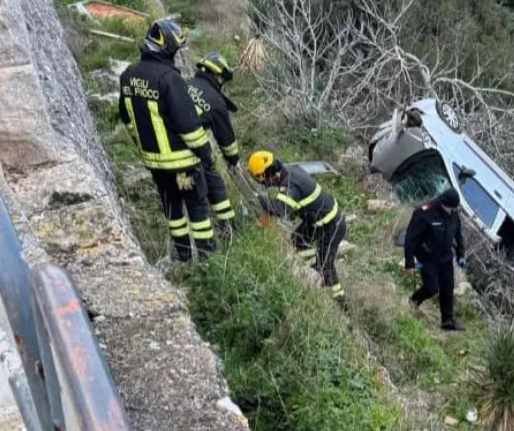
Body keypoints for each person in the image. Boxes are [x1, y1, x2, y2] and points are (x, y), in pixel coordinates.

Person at [118, 17, 216, 262]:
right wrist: (205, 151)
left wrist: (143, 145)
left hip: (155, 164)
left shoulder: (128, 75)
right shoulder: (169, 79)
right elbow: (188, 125)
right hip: (182, 165)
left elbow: (127, 118)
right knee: (197, 207)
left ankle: (182, 255)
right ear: (167, 48)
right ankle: (207, 259)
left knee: (172, 208)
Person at [249, 151, 348, 309]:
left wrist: (258, 200)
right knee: (296, 242)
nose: (267, 184)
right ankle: (305, 275)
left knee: (325, 266)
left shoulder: (290, 184)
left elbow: (281, 210)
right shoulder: (289, 170)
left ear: (268, 173)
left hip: (332, 226)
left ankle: (340, 304)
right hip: (315, 222)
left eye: (264, 180)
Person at [187, 51, 240, 241]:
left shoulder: (184, 84)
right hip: (191, 150)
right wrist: (233, 161)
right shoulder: (216, 102)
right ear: (218, 76)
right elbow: (226, 139)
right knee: (215, 183)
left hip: (166, 145)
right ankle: (228, 231)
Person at [404, 189, 466, 331]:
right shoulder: (425, 213)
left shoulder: (454, 213)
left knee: (448, 289)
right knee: (431, 288)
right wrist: (409, 262)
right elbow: (411, 239)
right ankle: (414, 301)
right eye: (452, 208)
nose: (453, 211)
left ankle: (447, 321)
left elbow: (458, 234)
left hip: (446, 257)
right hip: (428, 257)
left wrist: (461, 254)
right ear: (444, 204)